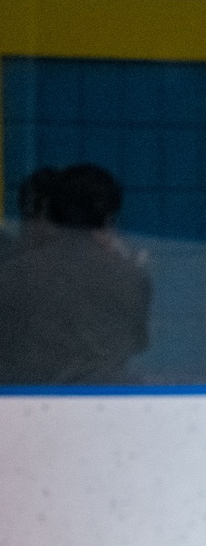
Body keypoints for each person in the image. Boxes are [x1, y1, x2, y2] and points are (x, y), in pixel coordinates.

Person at [0, 163, 150, 385]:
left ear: (51, 213)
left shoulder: (14, 272)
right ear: (109, 218)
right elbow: (139, 342)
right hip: (107, 398)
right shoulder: (129, 276)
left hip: (22, 397)